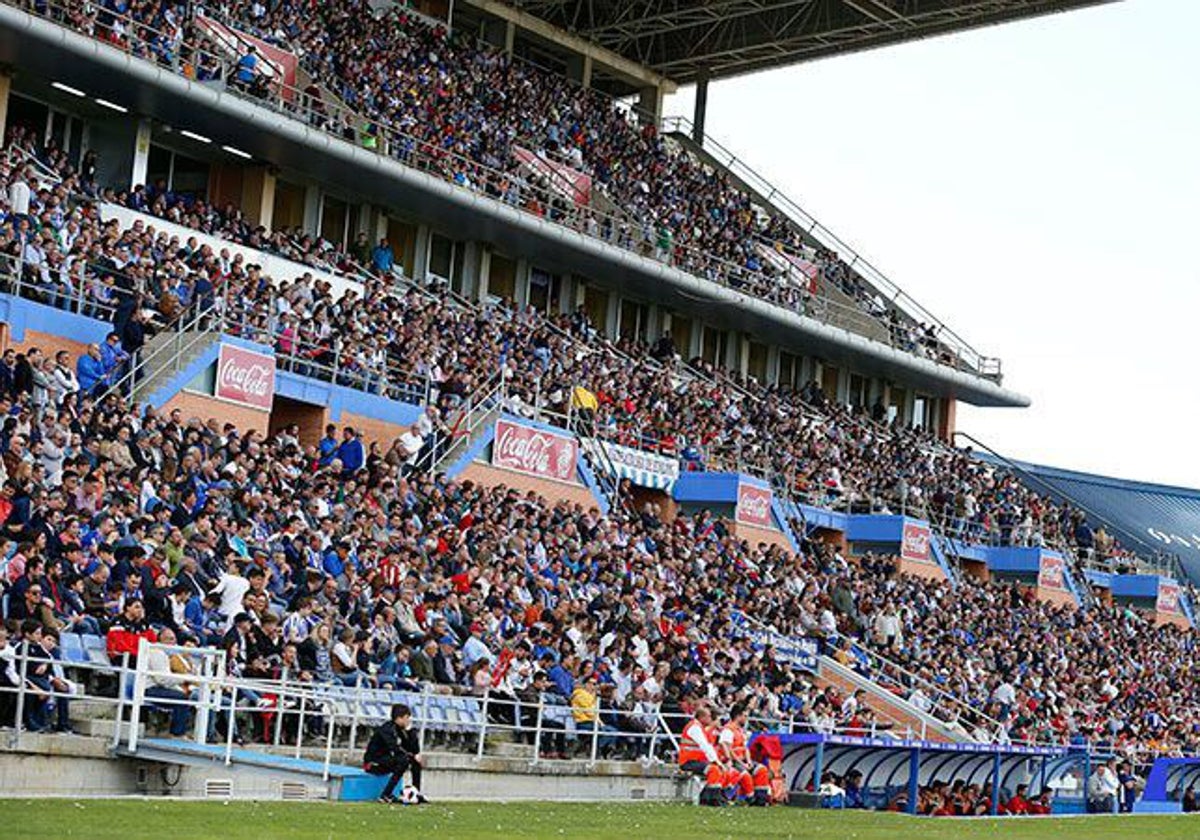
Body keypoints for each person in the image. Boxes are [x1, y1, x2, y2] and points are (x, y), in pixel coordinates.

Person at [363, 703, 426, 804]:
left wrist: (411, 732)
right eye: (406, 718)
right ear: (399, 718)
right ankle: (385, 795)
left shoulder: (399, 729)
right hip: (373, 763)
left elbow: (412, 749)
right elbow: (395, 748)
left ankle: (416, 793)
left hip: (386, 761)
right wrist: (411, 755)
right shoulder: (386, 729)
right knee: (403, 761)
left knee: (413, 761)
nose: (408, 720)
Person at [677, 703, 725, 806]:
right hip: (688, 762)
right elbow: (705, 745)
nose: (710, 719)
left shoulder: (699, 727)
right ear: (702, 717)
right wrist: (716, 761)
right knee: (714, 769)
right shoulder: (695, 728)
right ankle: (710, 799)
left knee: (718, 771)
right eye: (708, 716)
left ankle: (713, 798)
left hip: (696, 761)